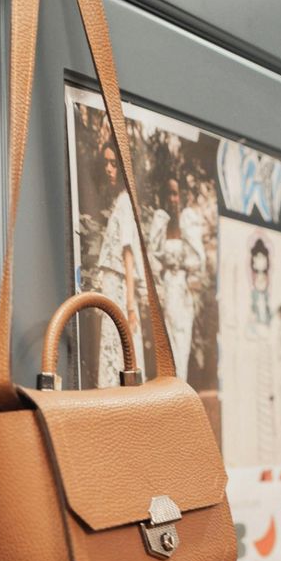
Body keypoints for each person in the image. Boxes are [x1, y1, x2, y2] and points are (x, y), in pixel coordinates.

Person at [95, 141, 145, 387]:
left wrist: (130, 304)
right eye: (106, 163)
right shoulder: (121, 201)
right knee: (113, 347)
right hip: (113, 285)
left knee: (119, 347)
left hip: (119, 287)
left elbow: (128, 253)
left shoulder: (125, 202)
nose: (109, 169)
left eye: (114, 163)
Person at [147, 176, 204, 381]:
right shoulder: (161, 222)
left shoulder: (186, 223)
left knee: (183, 337)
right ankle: (171, 387)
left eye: (175, 193)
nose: (172, 198)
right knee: (169, 337)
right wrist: (160, 284)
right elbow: (153, 257)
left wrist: (191, 280)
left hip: (184, 288)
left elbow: (197, 259)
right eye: (169, 194)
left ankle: (182, 384)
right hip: (168, 287)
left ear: (180, 196)